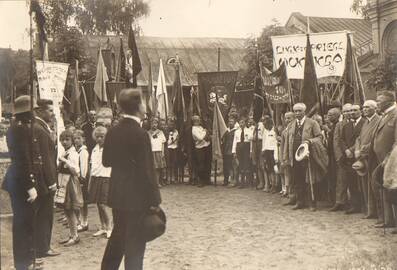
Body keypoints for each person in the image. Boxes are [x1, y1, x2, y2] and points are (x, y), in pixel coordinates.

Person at [101, 89, 162, 270]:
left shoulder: (112, 131)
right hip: (137, 198)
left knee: (118, 237)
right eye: (143, 102)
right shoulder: (141, 134)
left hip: (118, 195)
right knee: (135, 244)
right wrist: (155, 199)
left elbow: (106, 161)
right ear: (138, 107)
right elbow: (147, 171)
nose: (145, 106)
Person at [2, 96, 42, 270]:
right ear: (26, 112)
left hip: (20, 181)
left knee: (27, 222)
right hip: (20, 182)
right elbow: (22, 160)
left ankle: (28, 260)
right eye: (32, 110)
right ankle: (23, 263)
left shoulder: (21, 128)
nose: (34, 114)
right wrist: (29, 186)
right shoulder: (20, 130)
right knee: (22, 223)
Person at [33, 99, 59, 258]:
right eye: (49, 110)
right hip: (44, 180)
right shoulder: (41, 130)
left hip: (39, 179)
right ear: (40, 111)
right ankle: (43, 248)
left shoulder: (38, 127)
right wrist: (51, 182)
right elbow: (46, 158)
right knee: (45, 214)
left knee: (41, 214)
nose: (53, 113)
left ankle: (39, 246)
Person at [285, 103, 322, 210]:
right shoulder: (291, 125)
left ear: (304, 111)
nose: (297, 113)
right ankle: (300, 201)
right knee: (297, 179)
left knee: (309, 179)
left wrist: (309, 141)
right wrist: (286, 156)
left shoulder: (312, 123)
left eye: (299, 111)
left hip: (307, 156)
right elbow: (288, 141)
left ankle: (312, 202)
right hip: (294, 156)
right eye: (295, 111)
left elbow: (319, 137)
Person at [371, 90, 397, 232]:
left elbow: (396, 142)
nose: (377, 104)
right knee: (385, 189)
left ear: (388, 101)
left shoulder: (395, 115)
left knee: (394, 190)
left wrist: (389, 159)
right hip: (380, 159)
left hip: (391, 161)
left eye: (379, 101)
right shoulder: (385, 115)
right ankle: (389, 220)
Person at [354, 100, 380, 219]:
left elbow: (376, 139)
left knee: (373, 184)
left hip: (373, 157)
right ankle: (370, 210)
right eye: (363, 107)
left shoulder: (378, 120)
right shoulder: (366, 123)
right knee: (365, 184)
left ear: (375, 108)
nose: (364, 109)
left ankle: (378, 212)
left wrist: (363, 150)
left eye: (368, 107)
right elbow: (359, 138)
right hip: (363, 158)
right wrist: (357, 150)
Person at [57, 130, 83, 246]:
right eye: (62, 140)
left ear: (72, 141)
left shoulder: (73, 154)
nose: (64, 142)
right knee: (66, 209)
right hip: (63, 181)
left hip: (70, 182)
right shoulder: (65, 152)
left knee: (70, 209)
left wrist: (65, 161)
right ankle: (72, 234)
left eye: (67, 140)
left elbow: (76, 171)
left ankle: (75, 235)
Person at [89, 126, 113, 239]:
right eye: (97, 137)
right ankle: (103, 227)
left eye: (102, 137)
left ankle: (109, 227)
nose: (99, 139)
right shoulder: (94, 149)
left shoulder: (110, 148)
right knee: (98, 203)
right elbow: (93, 164)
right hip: (96, 177)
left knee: (104, 204)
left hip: (106, 177)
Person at [341, 104, 365, 214]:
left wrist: (351, 150)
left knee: (363, 182)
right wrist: (346, 150)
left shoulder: (365, 123)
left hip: (361, 156)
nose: (352, 112)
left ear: (360, 111)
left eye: (355, 110)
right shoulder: (347, 125)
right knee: (352, 182)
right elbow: (342, 139)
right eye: (350, 110)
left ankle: (366, 205)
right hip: (348, 158)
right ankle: (355, 205)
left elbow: (361, 139)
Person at [330, 103, 352, 212]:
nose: (348, 113)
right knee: (341, 180)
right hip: (342, 157)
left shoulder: (359, 122)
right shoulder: (339, 125)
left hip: (354, 155)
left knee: (355, 181)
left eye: (349, 111)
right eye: (345, 111)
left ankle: (355, 203)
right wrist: (339, 156)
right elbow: (336, 141)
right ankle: (340, 201)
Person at [73, 129, 90, 232]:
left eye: (79, 138)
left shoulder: (83, 152)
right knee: (79, 201)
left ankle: (84, 222)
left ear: (83, 139)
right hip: (77, 178)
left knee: (83, 202)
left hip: (82, 179)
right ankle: (80, 221)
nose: (76, 140)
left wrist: (82, 178)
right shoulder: (76, 150)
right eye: (75, 138)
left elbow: (83, 167)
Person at [232, 117, 253, 188]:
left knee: (246, 164)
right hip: (239, 148)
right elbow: (234, 142)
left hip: (246, 148)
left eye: (243, 122)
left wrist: (250, 151)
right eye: (240, 123)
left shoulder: (249, 130)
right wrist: (234, 151)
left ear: (245, 123)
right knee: (240, 164)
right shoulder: (236, 132)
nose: (241, 124)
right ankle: (242, 182)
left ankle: (247, 182)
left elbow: (251, 142)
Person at [326, 107, 341, 205]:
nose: (328, 117)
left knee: (337, 178)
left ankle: (337, 200)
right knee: (331, 177)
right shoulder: (332, 125)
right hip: (330, 154)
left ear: (336, 116)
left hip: (337, 156)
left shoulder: (338, 125)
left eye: (330, 115)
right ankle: (333, 199)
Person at [192, 115, 212, 187]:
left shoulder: (200, 127)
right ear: (194, 121)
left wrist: (205, 132)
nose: (198, 121)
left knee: (206, 163)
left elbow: (205, 135)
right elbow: (200, 138)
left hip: (206, 146)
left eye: (198, 120)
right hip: (199, 148)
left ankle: (206, 180)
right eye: (196, 120)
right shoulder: (194, 129)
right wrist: (205, 132)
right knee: (201, 165)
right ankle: (200, 181)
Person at [261, 117, 279, 193]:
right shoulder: (265, 131)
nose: (264, 126)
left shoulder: (274, 131)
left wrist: (276, 155)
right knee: (269, 169)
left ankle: (276, 185)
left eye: (265, 124)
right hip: (267, 151)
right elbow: (264, 142)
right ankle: (272, 185)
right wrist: (263, 150)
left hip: (273, 151)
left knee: (275, 169)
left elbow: (276, 143)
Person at [148, 118, 167, 187]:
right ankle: (156, 182)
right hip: (152, 151)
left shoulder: (160, 132)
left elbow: (163, 143)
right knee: (154, 168)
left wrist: (163, 152)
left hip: (159, 151)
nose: (154, 125)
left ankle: (160, 181)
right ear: (150, 124)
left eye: (155, 123)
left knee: (160, 167)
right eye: (153, 123)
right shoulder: (148, 133)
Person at [281, 112, 295, 200]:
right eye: (286, 118)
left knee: (294, 177)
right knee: (288, 175)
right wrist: (283, 158)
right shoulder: (284, 131)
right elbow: (282, 146)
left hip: (295, 156)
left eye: (289, 118)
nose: (287, 120)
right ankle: (290, 193)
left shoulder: (295, 129)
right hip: (287, 157)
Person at [222, 117, 237, 186]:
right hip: (226, 151)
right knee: (226, 166)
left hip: (232, 151)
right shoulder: (226, 131)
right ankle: (226, 180)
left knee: (232, 166)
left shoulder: (236, 131)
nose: (230, 123)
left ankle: (233, 180)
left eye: (232, 121)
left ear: (234, 123)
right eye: (229, 121)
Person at [167, 119, 180, 184]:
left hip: (174, 148)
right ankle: (169, 178)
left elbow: (177, 140)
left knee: (175, 162)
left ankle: (175, 178)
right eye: (170, 125)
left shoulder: (176, 131)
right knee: (169, 163)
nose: (171, 126)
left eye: (172, 124)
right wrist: (172, 141)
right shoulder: (166, 132)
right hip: (168, 148)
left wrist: (175, 141)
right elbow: (167, 142)